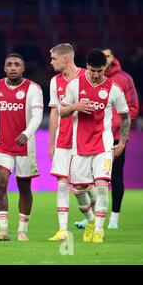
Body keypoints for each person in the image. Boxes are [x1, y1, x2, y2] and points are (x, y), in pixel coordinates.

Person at [60, 49, 130, 243]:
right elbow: (62, 111)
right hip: (80, 145)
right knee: (79, 190)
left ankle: (99, 230)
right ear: (87, 67)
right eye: (92, 70)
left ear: (105, 68)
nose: (96, 74)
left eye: (100, 70)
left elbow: (125, 115)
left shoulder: (114, 88)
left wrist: (122, 142)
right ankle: (90, 220)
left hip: (104, 144)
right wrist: (76, 106)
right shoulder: (74, 85)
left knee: (101, 187)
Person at [0, 53, 43, 241]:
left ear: (23, 68)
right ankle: (3, 230)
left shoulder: (34, 89)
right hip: (2, 146)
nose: (13, 67)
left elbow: (37, 116)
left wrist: (27, 133)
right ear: (4, 68)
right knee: (0, 184)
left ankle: (22, 230)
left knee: (24, 186)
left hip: (25, 146)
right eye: (9, 64)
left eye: (17, 64)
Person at [47, 43, 88, 241]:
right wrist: (51, 142)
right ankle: (62, 230)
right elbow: (55, 112)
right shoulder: (55, 81)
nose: (51, 62)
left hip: (85, 140)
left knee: (83, 187)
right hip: (63, 139)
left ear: (65, 58)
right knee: (62, 184)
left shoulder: (89, 76)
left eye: (54, 58)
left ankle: (93, 219)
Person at [100, 48, 139, 229]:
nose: (105, 59)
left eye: (107, 56)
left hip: (115, 136)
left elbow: (132, 108)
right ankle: (92, 217)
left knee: (115, 177)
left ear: (113, 58)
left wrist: (116, 126)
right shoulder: (90, 78)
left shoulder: (123, 79)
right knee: (94, 178)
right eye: (102, 56)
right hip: (95, 136)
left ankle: (114, 218)